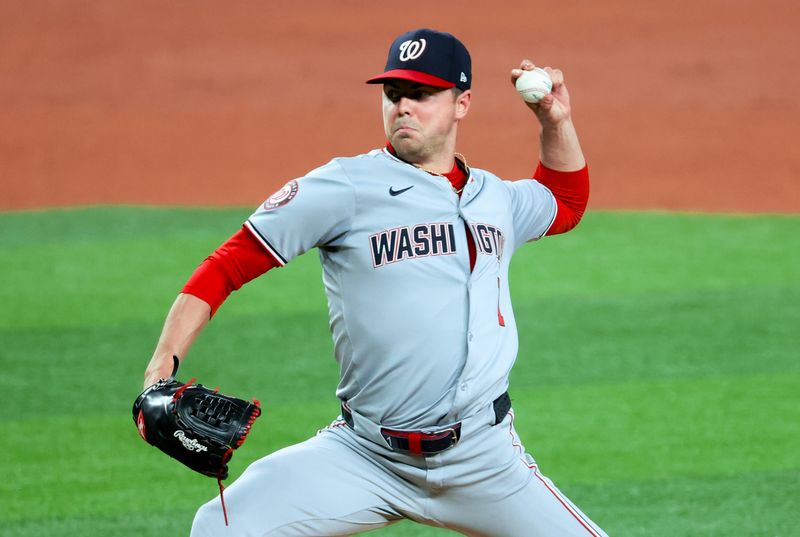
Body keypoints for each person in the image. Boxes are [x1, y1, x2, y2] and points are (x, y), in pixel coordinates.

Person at [143, 28, 608, 537]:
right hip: (364, 454)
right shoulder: (343, 187)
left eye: (422, 94)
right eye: (393, 94)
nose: (403, 106)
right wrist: (160, 368)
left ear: (462, 103)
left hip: (483, 459)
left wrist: (554, 119)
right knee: (221, 527)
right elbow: (226, 266)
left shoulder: (495, 199)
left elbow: (564, 200)